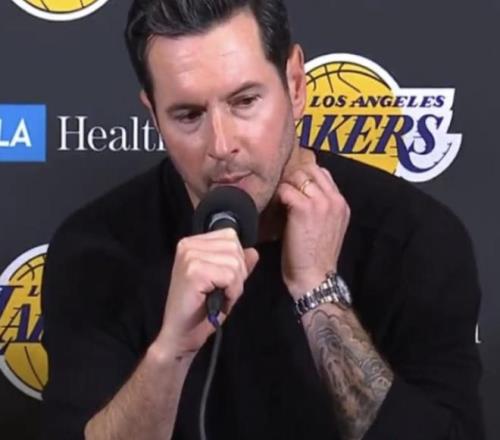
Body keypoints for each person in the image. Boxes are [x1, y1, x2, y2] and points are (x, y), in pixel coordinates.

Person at [40, 0, 484, 439]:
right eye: (189, 115)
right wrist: (172, 350)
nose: (222, 144)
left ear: (295, 84)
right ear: (154, 115)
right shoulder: (97, 249)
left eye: (245, 101)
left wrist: (319, 292)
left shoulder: (413, 238)